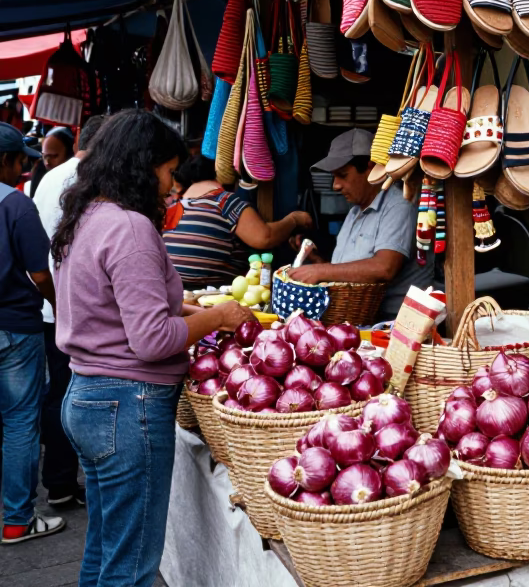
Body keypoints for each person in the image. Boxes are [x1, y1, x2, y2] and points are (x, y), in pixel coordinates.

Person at [51, 110, 256, 586]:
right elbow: (151, 340)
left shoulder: (86, 216)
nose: (172, 186)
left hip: (87, 396)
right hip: (127, 406)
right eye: (168, 172)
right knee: (133, 566)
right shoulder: (129, 227)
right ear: (143, 167)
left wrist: (186, 310)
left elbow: (111, 309)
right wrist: (216, 316)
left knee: (106, 548)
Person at [31, 115, 107, 508]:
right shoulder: (88, 180)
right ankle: (61, 482)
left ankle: (60, 478)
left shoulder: (49, 177)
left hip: (52, 306)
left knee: (59, 392)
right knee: (67, 394)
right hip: (66, 307)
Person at [0, 122, 65, 544]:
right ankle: (17, 520)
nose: (25, 170)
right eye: (21, 162)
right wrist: (62, 306)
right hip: (14, 327)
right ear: (4, 161)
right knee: (21, 422)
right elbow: (41, 272)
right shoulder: (16, 206)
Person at [291, 129, 433, 321]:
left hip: (394, 322)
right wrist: (317, 262)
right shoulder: (354, 212)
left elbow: (385, 267)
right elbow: (345, 276)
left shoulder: (399, 205)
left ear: (370, 168)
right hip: (355, 318)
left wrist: (321, 271)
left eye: (342, 175)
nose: (335, 185)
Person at [163, 155, 313, 289]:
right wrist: (294, 219)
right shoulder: (225, 201)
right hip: (215, 291)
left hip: (174, 289)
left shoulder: (174, 207)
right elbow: (264, 237)